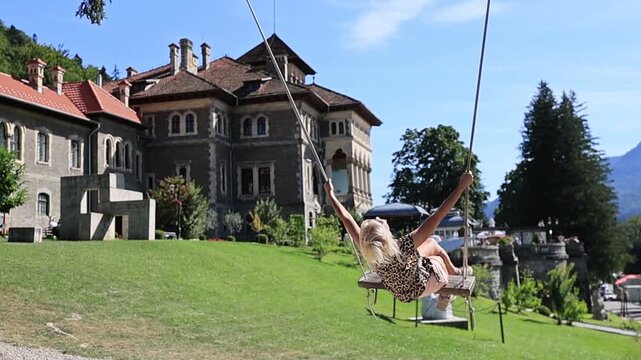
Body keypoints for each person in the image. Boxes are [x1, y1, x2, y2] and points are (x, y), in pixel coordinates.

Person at [324, 171, 474, 309]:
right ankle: (447, 291)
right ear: (386, 236)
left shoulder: (369, 249)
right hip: (424, 285)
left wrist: (331, 194)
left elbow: (346, 218)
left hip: (402, 292)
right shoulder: (405, 245)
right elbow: (439, 214)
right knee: (436, 257)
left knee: (430, 244)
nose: (378, 218)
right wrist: (461, 186)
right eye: (379, 222)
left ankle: (455, 271)